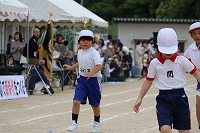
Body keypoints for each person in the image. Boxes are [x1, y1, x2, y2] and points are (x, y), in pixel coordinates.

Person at [133, 28, 200, 133]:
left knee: (185, 131)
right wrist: (140, 98)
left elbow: (196, 72)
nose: (168, 53)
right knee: (165, 129)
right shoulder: (155, 63)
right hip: (163, 99)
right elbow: (148, 81)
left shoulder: (182, 60)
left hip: (180, 98)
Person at [63, 30, 103, 132]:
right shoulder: (80, 52)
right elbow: (80, 63)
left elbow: (99, 66)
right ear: (79, 41)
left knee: (95, 105)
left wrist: (90, 73)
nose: (85, 42)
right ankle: (74, 123)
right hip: (82, 80)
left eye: (88, 40)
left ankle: (96, 123)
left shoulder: (94, 53)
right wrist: (71, 67)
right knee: (76, 101)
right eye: (83, 40)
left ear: (92, 41)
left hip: (93, 80)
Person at [184, 22, 200, 133]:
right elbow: (183, 61)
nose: (197, 36)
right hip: (199, 79)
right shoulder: (191, 48)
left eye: (199, 33)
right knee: (198, 104)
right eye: (194, 34)